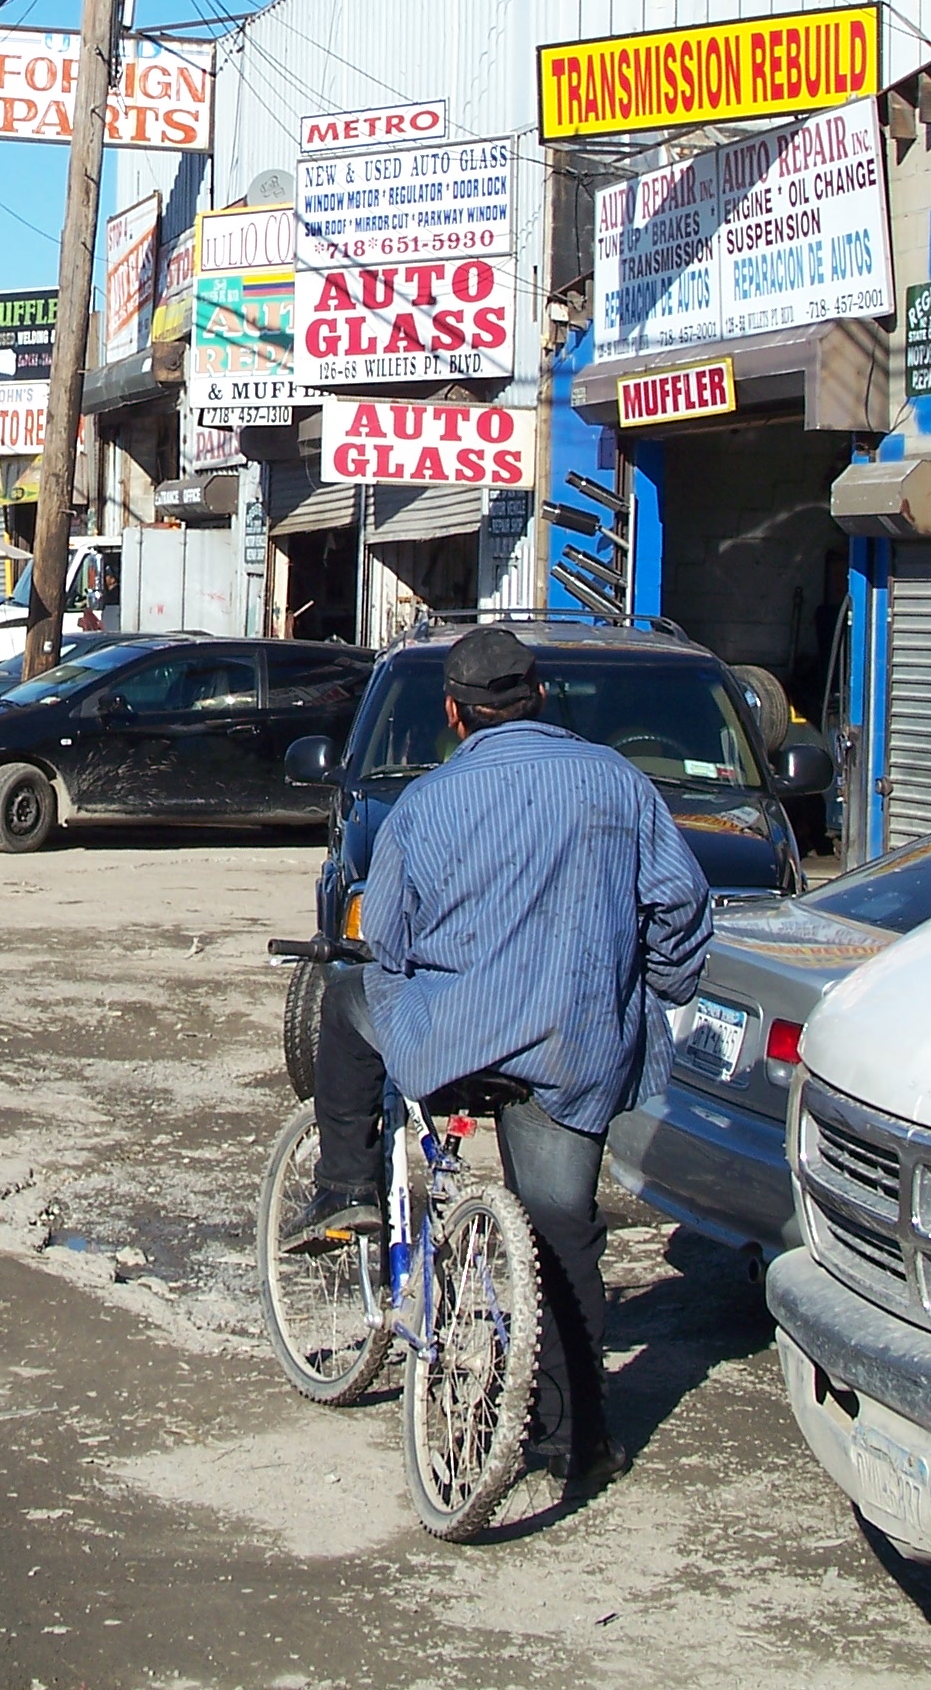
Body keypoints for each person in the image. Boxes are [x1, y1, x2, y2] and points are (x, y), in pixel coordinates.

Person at [296, 623, 711, 1499]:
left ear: (454, 714)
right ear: (542, 697)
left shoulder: (425, 803)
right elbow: (680, 909)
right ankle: (574, 1440)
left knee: (344, 994)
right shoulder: (619, 783)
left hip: (453, 1041)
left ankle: (345, 1187)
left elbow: (389, 940)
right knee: (563, 1233)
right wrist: (650, 989)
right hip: (576, 1045)